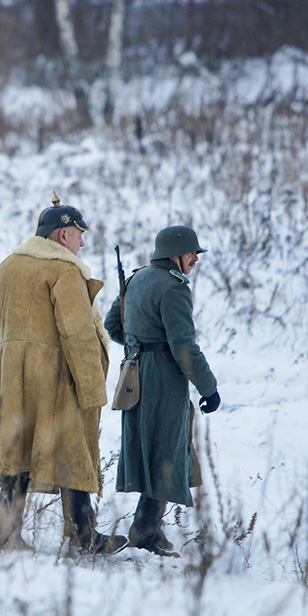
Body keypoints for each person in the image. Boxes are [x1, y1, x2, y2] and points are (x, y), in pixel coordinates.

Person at [0, 194, 126, 555]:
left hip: (10, 375)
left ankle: (6, 532)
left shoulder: (7, 266)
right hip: (57, 380)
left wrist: (16, 355)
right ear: (63, 235)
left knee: (17, 450)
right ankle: (84, 536)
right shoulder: (65, 271)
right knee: (72, 451)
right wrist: (92, 388)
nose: (82, 242)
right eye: (79, 234)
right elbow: (78, 334)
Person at [104, 225, 220, 557]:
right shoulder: (174, 288)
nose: (196, 258)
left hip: (134, 372)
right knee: (167, 448)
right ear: (175, 254)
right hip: (163, 376)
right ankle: (144, 532)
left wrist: (137, 346)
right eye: (192, 253)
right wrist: (208, 388)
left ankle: (147, 528)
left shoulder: (137, 279)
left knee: (153, 447)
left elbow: (112, 325)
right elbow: (184, 346)